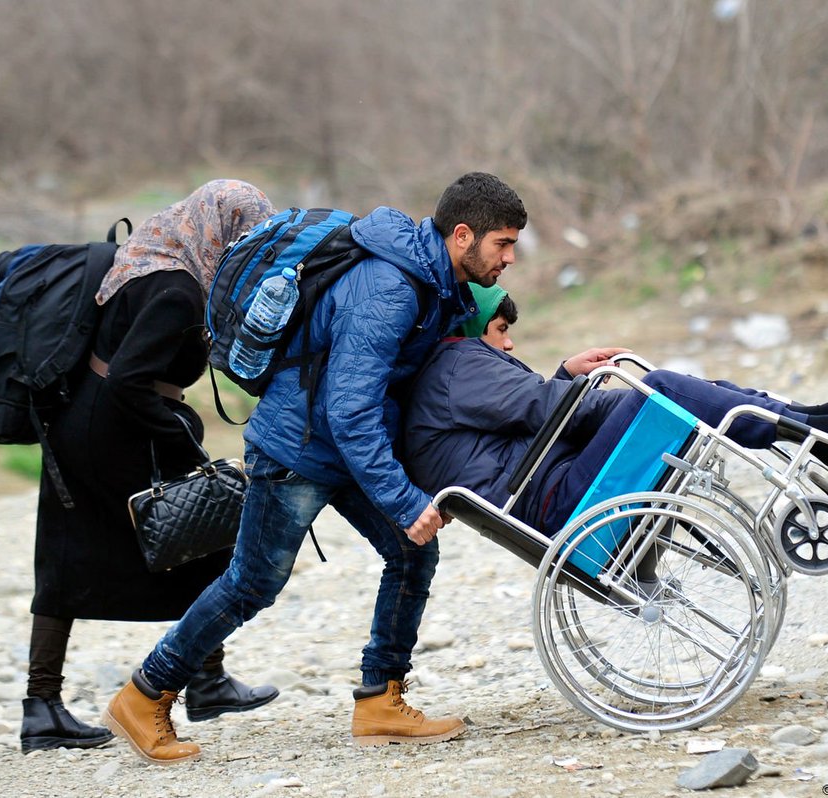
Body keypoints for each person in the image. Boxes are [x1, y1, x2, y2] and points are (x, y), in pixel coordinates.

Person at [100, 172, 528, 764]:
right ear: (462, 235)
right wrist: (406, 502)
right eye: (503, 244)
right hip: (298, 451)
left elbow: (455, 367)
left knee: (410, 553)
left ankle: (380, 698)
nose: (510, 257)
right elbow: (348, 408)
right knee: (252, 584)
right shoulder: (393, 287)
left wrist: (556, 374)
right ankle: (145, 694)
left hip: (339, 448)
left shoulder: (435, 284)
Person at [22, 180, 280, 753]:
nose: (252, 252)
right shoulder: (177, 289)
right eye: (247, 238)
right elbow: (130, 383)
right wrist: (187, 447)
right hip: (111, 424)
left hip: (83, 421)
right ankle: (204, 680)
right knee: (209, 526)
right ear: (221, 231)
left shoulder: (156, 258)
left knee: (66, 556)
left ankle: (43, 707)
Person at [403, 283, 828, 536]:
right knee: (663, 389)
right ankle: (808, 427)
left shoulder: (456, 371)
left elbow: (514, 427)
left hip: (550, 481)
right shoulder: (459, 364)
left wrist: (565, 376)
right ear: (471, 328)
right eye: (499, 331)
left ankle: (802, 420)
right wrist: (643, 400)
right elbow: (551, 412)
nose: (508, 345)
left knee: (678, 392)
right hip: (558, 496)